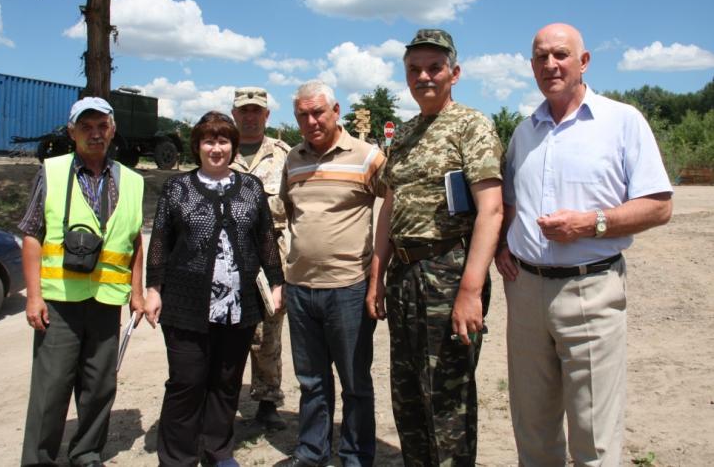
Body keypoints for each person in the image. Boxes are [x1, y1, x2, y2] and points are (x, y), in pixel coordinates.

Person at [495, 23, 673, 466]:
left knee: (594, 436)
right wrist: (503, 246)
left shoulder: (622, 121)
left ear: (584, 61)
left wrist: (590, 223)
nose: (550, 65)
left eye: (560, 54)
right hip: (527, 293)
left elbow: (658, 206)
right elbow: (510, 206)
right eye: (540, 57)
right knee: (533, 431)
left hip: (590, 291)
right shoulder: (524, 133)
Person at [367, 29, 504, 466]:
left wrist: (470, 290)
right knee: (407, 396)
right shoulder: (404, 133)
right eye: (414, 69)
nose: (423, 76)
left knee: (447, 398)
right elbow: (389, 206)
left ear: (454, 73)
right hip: (404, 276)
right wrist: (377, 274)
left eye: (433, 67)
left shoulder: (471, 125)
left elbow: (492, 211)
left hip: (448, 271)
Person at [144, 111, 284, 467]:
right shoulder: (179, 188)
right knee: (186, 382)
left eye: (223, 140)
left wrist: (277, 282)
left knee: (226, 381)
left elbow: (265, 238)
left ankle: (218, 450)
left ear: (233, 147)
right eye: (209, 140)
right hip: (186, 304)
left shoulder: (250, 188)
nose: (216, 148)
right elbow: (160, 241)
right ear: (197, 146)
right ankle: (177, 458)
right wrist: (154, 289)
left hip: (239, 306)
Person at [19, 97, 145, 467]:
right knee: (51, 388)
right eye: (85, 127)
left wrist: (136, 294)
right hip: (58, 302)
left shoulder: (133, 181)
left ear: (113, 130)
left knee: (99, 387)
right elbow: (31, 235)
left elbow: (135, 240)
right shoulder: (52, 171)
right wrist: (33, 297)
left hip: (107, 301)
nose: (95, 133)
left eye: (101, 126)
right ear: (72, 132)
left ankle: (86, 453)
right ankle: (39, 459)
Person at [277, 80, 386, 467]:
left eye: (318, 112)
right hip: (301, 289)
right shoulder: (293, 158)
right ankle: (312, 454)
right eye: (302, 115)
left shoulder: (367, 156)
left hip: (349, 290)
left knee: (355, 384)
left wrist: (378, 278)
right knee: (311, 382)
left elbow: (393, 207)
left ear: (336, 111)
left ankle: (356, 457)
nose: (311, 121)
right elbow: (289, 213)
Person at [229, 86, 290, 431]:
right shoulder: (221, 150)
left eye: (256, 111)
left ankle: (268, 400)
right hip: (229, 254)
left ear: (266, 115)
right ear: (235, 114)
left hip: (272, 253)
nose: (250, 117)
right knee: (230, 325)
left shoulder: (283, 155)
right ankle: (224, 397)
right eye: (244, 111)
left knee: (270, 329)